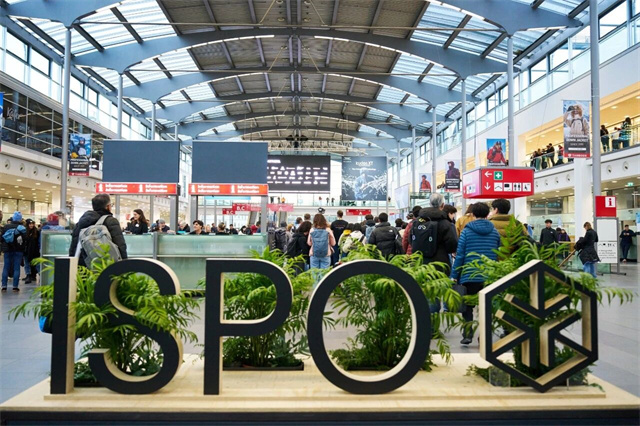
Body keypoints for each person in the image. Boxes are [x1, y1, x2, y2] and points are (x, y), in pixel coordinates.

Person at [450, 203, 501, 345]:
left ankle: (467, 334)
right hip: (489, 275)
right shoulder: (494, 232)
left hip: (469, 275)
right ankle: (484, 336)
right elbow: (498, 253)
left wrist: (454, 275)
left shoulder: (466, 232)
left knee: (467, 307)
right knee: (486, 307)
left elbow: (460, 255)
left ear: (472, 214)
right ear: (487, 214)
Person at [69, 194, 127, 267]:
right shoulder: (111, 221)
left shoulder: (81, 222)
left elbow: (74, 246)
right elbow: (120, 245)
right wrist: (124, 265)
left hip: (85, 264)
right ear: (108, 206)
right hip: (105, 265)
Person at [410, 194, 458, 274]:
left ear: (430, 204)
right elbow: (452, 245)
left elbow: (411, 239)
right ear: (442, 205)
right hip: (440, 264)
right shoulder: (446, 223)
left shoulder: (417, 222)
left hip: (419, 264)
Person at [1, 212, 26, 292]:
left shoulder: (6, 226)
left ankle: (4, 286)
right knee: (16, 268)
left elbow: (2, 238)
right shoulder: (22, 228)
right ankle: (15, 287)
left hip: (7, 250)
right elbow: (25, 240)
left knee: (6, 267)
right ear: (20, 219)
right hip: (18, 250)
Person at [23, 219, 40, 284]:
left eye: (32, 224)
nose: (31, 225)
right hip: (27, 251)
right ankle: (28, 275)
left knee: (37, 264)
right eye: (30, 224)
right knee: (27, 264)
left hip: (35, 251)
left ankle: (41, 275)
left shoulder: (36, 232)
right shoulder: (25, 232)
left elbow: (38, 242)